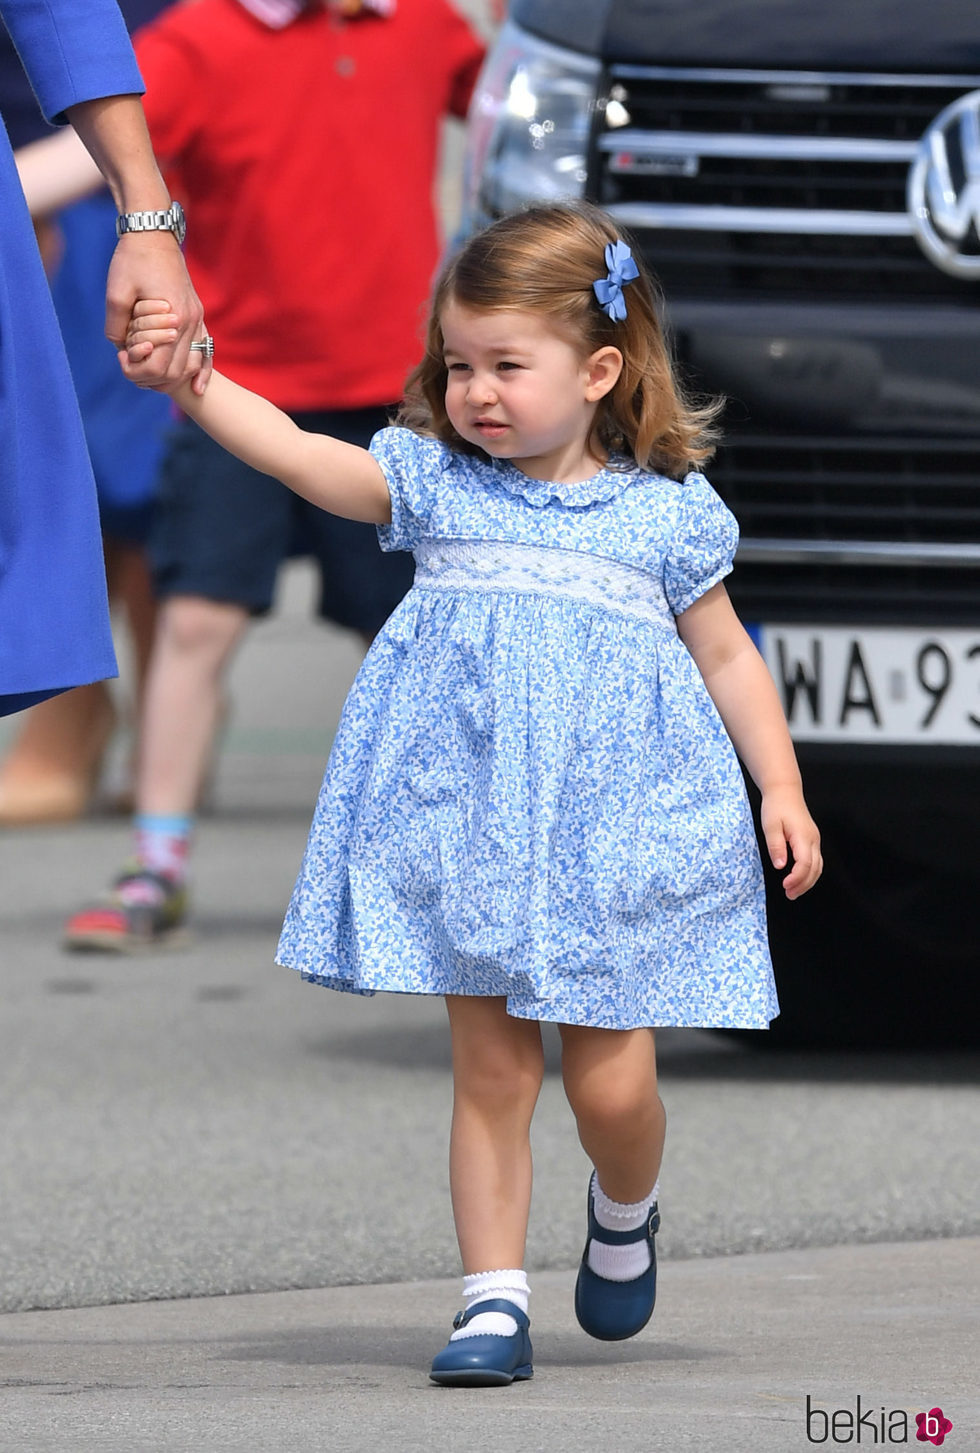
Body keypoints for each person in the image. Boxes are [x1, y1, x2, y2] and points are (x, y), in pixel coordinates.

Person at [119, 200, 822, 1385]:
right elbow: (303, 454)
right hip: (468, 821)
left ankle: (623, 1199)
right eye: (458, 365)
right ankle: (490, 1300)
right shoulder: (439, 484)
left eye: (508, 365)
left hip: (614, 828)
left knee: (613, 1084)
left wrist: (781, 785)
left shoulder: (661, 511)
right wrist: (198, 386)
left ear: (599, 370)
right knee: (492, 1071)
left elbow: (724, 655)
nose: (477, 392)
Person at [60, 0, 486, 949]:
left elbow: (513, 103)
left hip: (395, 397)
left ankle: (466, 857)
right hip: (236, 391)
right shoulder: (201, 38)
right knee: (197, 616)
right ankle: (155, 861)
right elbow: (93, 139)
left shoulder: (419, 22)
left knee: (420, 631)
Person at [0, 0, 206, 721]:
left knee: (125, 469)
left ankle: (137, 721)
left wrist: (143, 216)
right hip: (48, 174)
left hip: (74, 174)